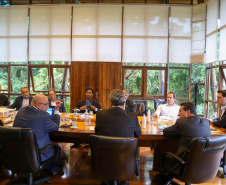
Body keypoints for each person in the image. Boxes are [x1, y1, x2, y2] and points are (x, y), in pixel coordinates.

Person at [95, 89, 141, 185]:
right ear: (124, 102)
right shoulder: (132, 116)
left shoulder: (100, 114)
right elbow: (138, 134)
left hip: (105, 160)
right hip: (125, 162)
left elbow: (97, 133)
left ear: (110, 102)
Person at [159, 102, 211, 185]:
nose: (178, 114)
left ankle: (165, 179)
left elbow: (165, 132)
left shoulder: (181, 122)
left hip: (184, 165)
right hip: (206, 166)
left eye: (180, 111)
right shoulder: (205, 122)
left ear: (188, 112)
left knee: (162, 155)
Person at [13, 94, 64, 175]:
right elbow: (55, 127)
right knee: (57, 148)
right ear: (37, 104)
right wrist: (57, 109)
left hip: (18, 152)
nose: (48, 107)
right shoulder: (43, 115)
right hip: (36, 153)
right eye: (46, 104)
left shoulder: (20, 111)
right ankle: (52, 168)